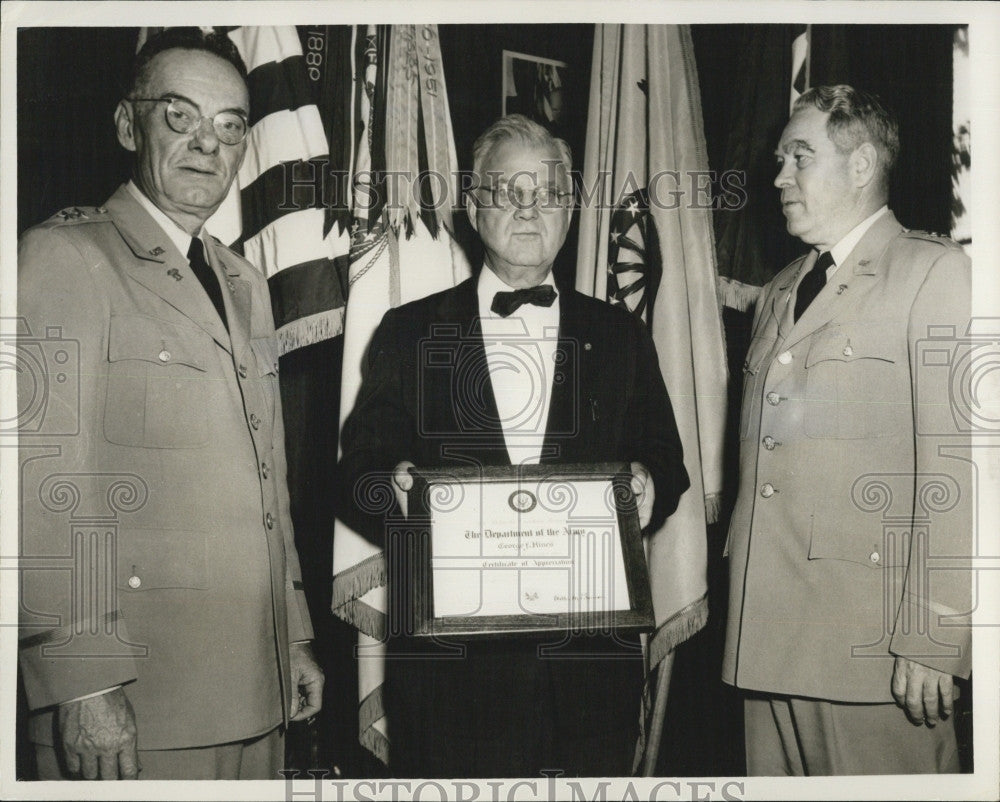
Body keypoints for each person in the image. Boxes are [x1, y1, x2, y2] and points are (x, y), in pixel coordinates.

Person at [337, 114, 689, 777]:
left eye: (549, 191)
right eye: (508, 191)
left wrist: (648, 484)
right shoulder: (410, 332)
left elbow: (667, 462)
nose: (531, 209)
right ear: (474, 206)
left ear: (572, 205)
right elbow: (357, 475)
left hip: (590, 680)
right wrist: (399, 492)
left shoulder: (620, 336)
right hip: (453, 686)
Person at [17, 28, 323, 780]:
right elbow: (38, 482)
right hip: (141, 699)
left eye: (229, 126)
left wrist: (293, 637)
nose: (206, 144)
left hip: (258, 684)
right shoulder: (66, 259)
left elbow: (266, 480)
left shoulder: (245, 284)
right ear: (130, 125)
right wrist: (83, 677)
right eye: (180, 117)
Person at [723, 85, 972, 775]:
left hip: (871, 646)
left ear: (860, 166)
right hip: (762, 631)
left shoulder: (934, 274)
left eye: (799, 156)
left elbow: (962, 470)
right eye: (779, 159)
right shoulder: (780, 289)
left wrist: (932, 633)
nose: (779, 176)